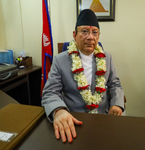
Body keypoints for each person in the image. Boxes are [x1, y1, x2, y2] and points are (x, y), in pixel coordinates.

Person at [41, 9, 125, 143]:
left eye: (94, 32)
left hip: (104, 119)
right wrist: (58, 110)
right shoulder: (60, 60)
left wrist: (117, 105)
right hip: (72, 121)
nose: (90, 37)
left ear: (98, 36)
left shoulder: (107, 58)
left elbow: (115, 85)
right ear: (74, 35)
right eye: (84, 31)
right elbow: (50, 92)